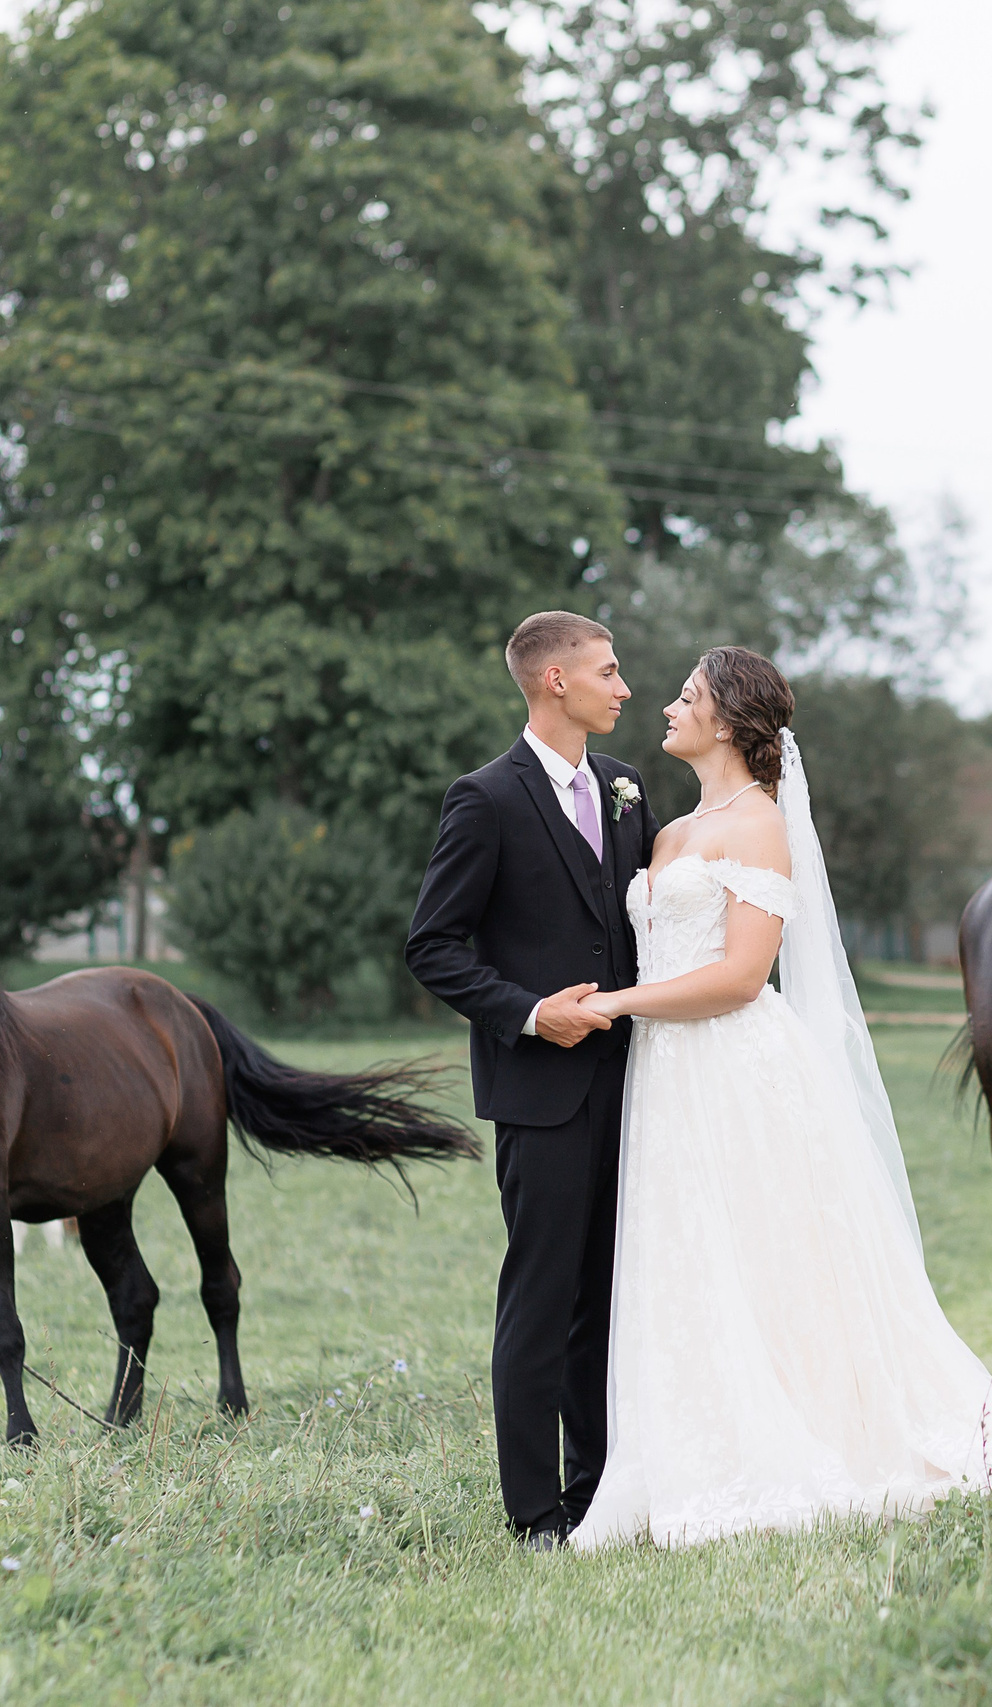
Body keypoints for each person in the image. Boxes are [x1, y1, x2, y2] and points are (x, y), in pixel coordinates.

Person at [566, 646, 992, 1551]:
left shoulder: (760, 826)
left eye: (685, 696)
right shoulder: (666, 833)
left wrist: (613, 1004)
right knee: (690, 1254)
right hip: (666, 1078)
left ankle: (817, 1430)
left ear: (725, 722)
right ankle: (689, 1439)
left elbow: (738, 976)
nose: (666, 706)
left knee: (771, 1259)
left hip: (734, 1069)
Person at [405, 611, 657, 1548]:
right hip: (540, 1097)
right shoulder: (485, 798)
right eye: (608, 669)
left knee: (611, 1293)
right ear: (555, 681)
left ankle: (597, 1490)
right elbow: (431, 946)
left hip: (634, 1087)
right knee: (542, 1299)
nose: (624, 687)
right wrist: (528, 1010)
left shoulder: (629, 787)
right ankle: (534, 1512)